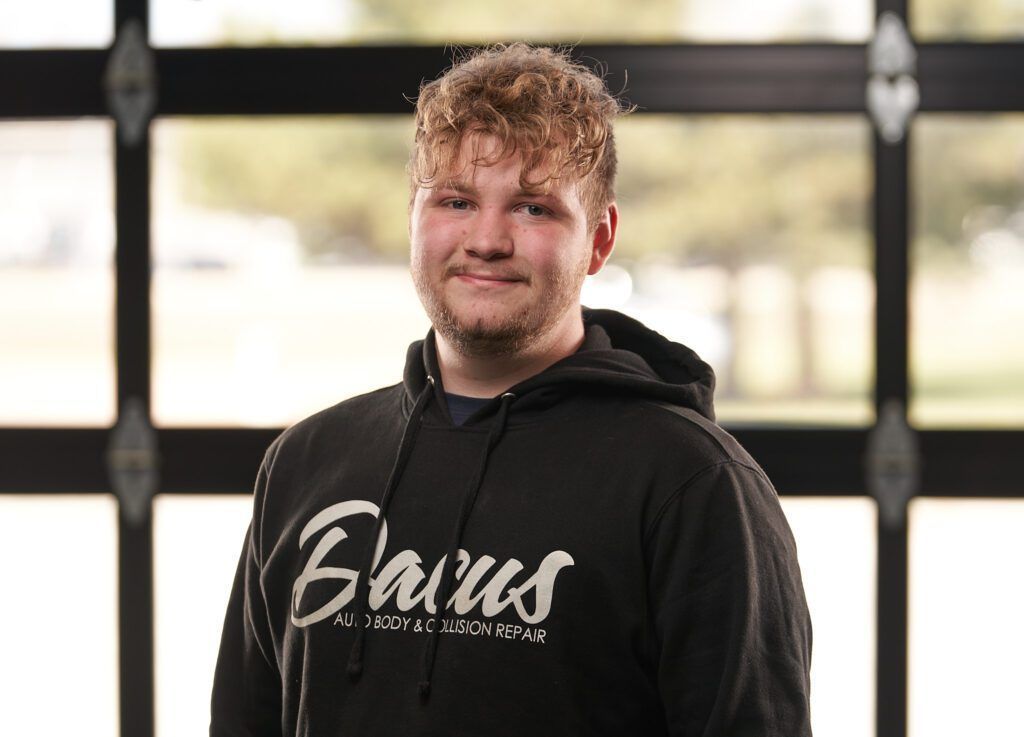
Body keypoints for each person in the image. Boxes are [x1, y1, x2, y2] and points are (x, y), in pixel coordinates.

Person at [211, 43, 812, 737]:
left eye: (533, 209)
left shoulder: (694, 484)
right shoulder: (306, 463)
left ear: (600, 239)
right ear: (413, 215)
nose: (487, 239)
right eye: (456, 200)